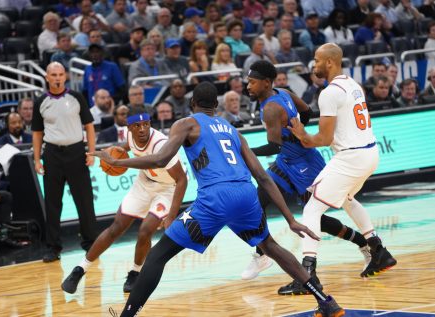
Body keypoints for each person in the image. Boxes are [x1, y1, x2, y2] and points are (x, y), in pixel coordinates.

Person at [90, 81, 345, 317]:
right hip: (246, 194)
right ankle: (326, 301)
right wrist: (290, 219)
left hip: (215, 197)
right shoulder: (233, 131)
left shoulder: (187, 123)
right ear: (216, 106)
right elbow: (263, 178)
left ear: (192, 104)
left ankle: (127, 315)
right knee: (270, 246)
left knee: (158, 255)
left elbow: (160, 159)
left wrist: (117, 160)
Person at [244, 60, 371, 295]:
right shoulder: (284, 92)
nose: (248, 86)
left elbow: (274, 146)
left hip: (304, 165)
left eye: (252, 82)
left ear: (266, 83)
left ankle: (363, 245)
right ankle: (262, 255)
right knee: (256, 201)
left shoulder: (272, 107)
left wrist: (247, 152)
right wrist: (300, 132)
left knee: (316, 220)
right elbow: (307, 112)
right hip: (287, 163)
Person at [288, 43, 397, 281]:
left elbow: (324, 139)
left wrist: (302, 135)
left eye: (317, 60)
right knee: (348, 200)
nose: (313, 64)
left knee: (311, 208)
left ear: (329, 62)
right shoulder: (352, 84)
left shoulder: (329, 93)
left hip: (351, 156)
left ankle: (307, 273)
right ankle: (379, 250)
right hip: (370, 152)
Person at [62, 109, 188, 294]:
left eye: (146, 124)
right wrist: (118, 151)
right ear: (129, 128)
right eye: (137, 126)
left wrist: (171, 215)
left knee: (145, 230)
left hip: (167, 189)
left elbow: (182, 180)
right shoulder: (131, 137)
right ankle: (80, 270)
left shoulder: (161, 144)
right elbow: (127, 146)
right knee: (116, 227)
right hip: (144, 184)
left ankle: (135, 272)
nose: (143, 129)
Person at [32, 62, 98, 262]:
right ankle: (53, 247)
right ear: (47, 77)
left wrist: (92, 152)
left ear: (65, 76)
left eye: (61, 74)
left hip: (77, 152)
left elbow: (89, 126)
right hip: (52, 154)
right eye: (54, 74)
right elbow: (37, 133)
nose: (58, 78)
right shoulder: (41, 102)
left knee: (84, 201)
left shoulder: (76, 97)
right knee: (52, 203)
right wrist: (37, 159)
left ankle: (91, 244)